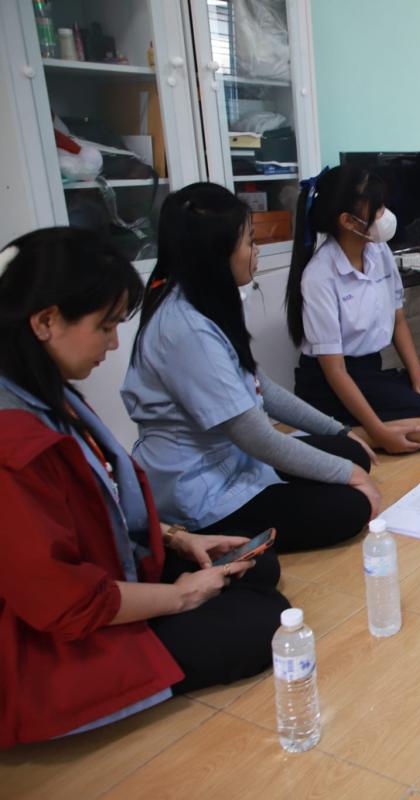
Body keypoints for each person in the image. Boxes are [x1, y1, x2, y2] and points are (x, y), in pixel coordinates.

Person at [0, 228, 288, 748]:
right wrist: (180, 596)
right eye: (105, 326)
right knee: (261, 622)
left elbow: (103, 496)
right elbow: (61, 600)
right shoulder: (14, 444)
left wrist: (178, 538)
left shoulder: (42, 388)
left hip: (116, 560)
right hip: (55, 624)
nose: (114, 344)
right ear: (45, 321)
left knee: (256, 567)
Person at [123, 183, 381, 551]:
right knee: (350, 506)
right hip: (202, 490)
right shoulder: (186, 330)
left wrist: (338, 430)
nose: (255, 251)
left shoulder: (206, 302)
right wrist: (348, 475)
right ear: (217, 253)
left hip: (236, 459)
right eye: (249, 242)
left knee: (349, 450)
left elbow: (262, 388)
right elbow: (256, 437)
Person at [286, 166, 420, 454]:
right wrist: (378, 432)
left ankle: (357, 427)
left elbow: (398, 320)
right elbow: (335, 371)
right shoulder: (319, 276)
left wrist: (418, 378)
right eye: (377, 209)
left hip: (372, 373)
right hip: (331, 384)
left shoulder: (378, 251)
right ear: (348, 221)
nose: (385, 215)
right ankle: (328, 432)